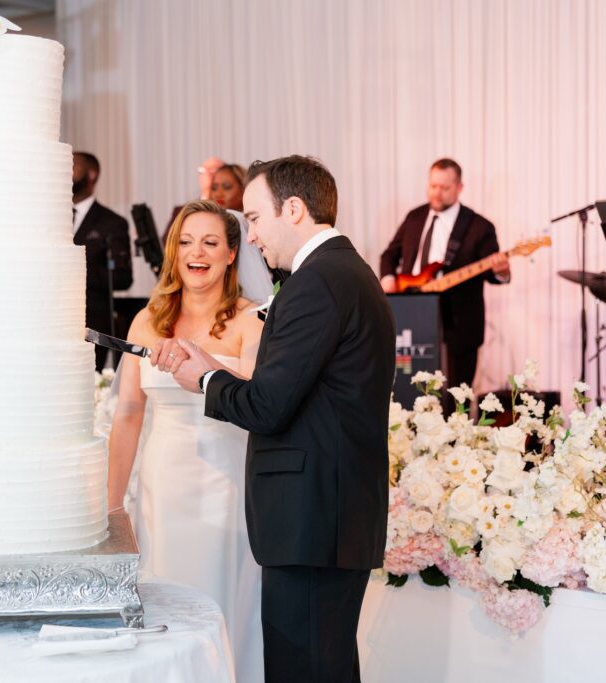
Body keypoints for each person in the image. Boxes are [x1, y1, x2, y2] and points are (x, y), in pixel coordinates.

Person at [155, 156, 396, 682]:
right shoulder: (344, 272)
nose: (253, 235)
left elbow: (268, 407)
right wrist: (215, 367)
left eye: (255, 218)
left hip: (311, 519)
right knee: (322, 665)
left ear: (293, 208)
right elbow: (299, 390)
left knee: (303, 668)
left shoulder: (318, 281)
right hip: (327, 516)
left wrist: (204, 381)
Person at [107, 200, 265, 682]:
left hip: (225, 488)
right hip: (162, 488)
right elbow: (130, 413)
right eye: (188, 242)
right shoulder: (146, 321)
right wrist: (114, 506)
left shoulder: (252, 320)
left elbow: (262, 401)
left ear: (231, 255)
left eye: (211, 242)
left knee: (222, 602)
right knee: (164, 603)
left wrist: (203, 360)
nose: (198, 253)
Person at [379, 158, 510, 389]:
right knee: (409, 391)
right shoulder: (415, 217)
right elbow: (389, 255)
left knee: (455, 396)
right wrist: (389, 280)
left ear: (459, 187)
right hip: (412, 318)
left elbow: (493, 274)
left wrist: (502, 271)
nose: (437, 193)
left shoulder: (480, 227)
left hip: (458, 326)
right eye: (433, 186)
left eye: (445, 188)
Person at [72, 151, 133, 370]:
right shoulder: (51, 218)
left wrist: (74, 268)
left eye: (73, 165)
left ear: (92, 174)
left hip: (92, 321)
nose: (66, 170)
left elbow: (123, 278)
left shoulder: (112, 223)